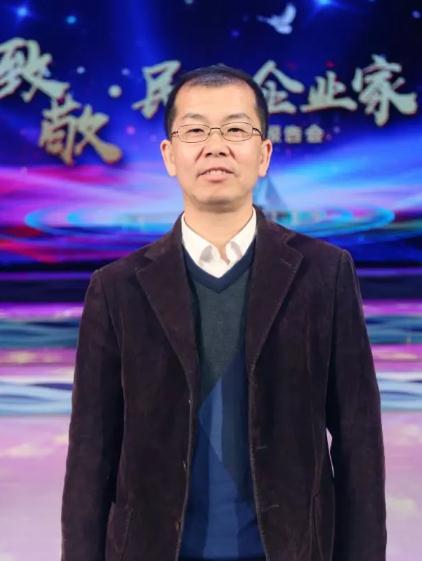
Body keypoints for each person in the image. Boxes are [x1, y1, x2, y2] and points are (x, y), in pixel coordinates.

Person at [61, 64, 387, 561]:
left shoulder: (325, 274)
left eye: (236, 130)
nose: (216, 146)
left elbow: (358, 442)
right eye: (195, 131)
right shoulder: (116, 289)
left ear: (264, 154)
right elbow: (91, 454)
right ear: (169, 155)